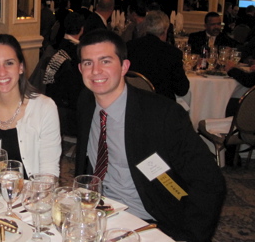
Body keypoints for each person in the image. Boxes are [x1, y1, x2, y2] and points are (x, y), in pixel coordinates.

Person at [75, 28, 226, 242]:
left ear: (124, 66)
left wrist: (192, 237)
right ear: (81, 69)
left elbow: (209, 183)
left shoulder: (162, 115)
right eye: (88, 63)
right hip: (98, 212)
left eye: (105, 61)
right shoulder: (86, 101)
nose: (96, 71)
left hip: (149, 219)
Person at [0, 34, 62, 178]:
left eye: (9, 63)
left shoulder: (45, 108)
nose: (2, 72)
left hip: (30, 195)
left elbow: (48, 172)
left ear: (20, 67)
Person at [127, 10, 189, 101]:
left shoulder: (129, 47)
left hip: (133, 102)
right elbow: (182, 90)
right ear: (165, 30)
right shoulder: (172, 53)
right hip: (162, 107)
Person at [44, 12, 85, 137]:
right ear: (82, 29)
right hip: (69, 114)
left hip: (53, 107)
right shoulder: (77, 55)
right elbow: (77, 92)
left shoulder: (58, 50)